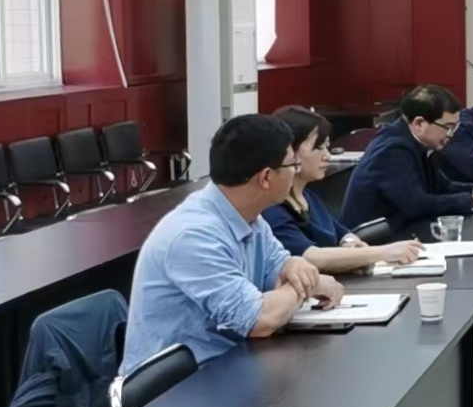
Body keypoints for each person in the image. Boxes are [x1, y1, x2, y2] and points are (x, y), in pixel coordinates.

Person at [121, 114, 345, 373]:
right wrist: (305, 286)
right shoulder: (194, 236)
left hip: (225, 364)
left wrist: (294, 266)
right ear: (265, 177)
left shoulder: (250, 217)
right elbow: (259, 320)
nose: (296, 171)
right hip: (177, 385)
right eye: (292, 164)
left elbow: (279, 270)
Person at [262, 106, 425, 273]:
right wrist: (381, 252)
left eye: (327, 147)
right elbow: (310, 256)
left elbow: (341, 233)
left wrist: (352, 244)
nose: (327, 156)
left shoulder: (308, 197)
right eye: (318, 148)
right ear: (290, 152)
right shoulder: (272, 208)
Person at [340, 84, 473, 238]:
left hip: (401, 231)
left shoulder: (419, 142)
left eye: (455, 127)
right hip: (374, 241)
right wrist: (471, 201)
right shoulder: (393, 149)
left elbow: (441, 187)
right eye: (448, 127)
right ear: (419, 123)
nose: (451, 135)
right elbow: (415, 205)